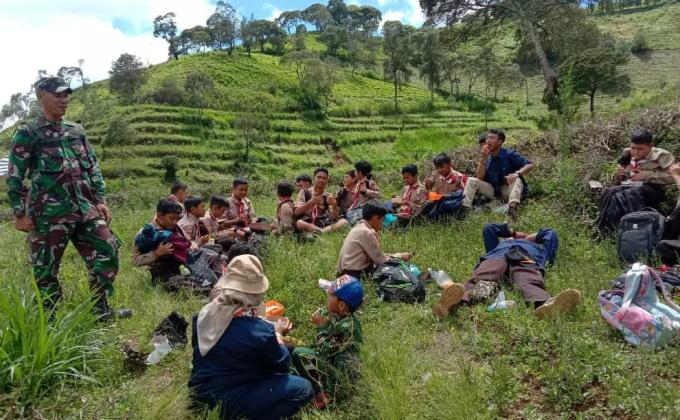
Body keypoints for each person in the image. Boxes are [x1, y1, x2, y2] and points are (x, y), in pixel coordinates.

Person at [6, 76, 127, 320]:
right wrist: (20, 213)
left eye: (66, 95)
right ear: (41, 96)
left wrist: (100, 200)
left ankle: (100, 310)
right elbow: (15, 176)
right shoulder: (28, 133)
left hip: (85, 209)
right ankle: (49, 320)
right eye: (58, 95)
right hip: (49, 215)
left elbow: (92, 167)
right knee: (45, 271)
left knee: (108, 251)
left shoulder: (76, 131)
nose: (64, 100)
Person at [188, 255, 314, 419]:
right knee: (303, 388)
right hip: (227, 401)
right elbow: (282, 364)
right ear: (255, 294)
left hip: (200, 394)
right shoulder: (258, 332)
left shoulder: (204, 314)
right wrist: (278, 334)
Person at [432, 223, 581, 320]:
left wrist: (529, 238)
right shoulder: (499, 245)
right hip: (497, 257)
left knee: (530, 279)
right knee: (484, 277)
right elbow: (489, 228)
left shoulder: (537, 247)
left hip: (526, 258)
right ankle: (453, 302)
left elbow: (551, 233)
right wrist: (513, 234)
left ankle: (545, 306)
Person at [292, 275, 364, 408]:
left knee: (298, 353)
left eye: (330, 296)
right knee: (297, 349)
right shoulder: (342, 316)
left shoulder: (347, 327)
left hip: (338, 373)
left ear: (341, 305)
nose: (327, 298)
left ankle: (326, 392)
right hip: (334, 360)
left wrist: (321, 327)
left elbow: (327, 350)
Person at [594, 129, 674, 236]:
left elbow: (673, 176)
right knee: (610, 192)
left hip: (653, 188)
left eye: (640, 149)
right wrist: (621, 175)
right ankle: (603, 228)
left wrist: (647, 175)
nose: (636, 152)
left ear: (650, 146)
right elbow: (624, 177)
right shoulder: (627, 154)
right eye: (633, 148)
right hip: (631, 185)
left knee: (629, 194)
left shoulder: (661, 155)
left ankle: (634, 230)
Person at [462, 129, 534, 220]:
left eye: (492, 138)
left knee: (517, 179)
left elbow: (530, 165)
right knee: (471, 180)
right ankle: (464, 210)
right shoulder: (487, 158)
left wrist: (517, 174)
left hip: (511, 190)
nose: (488, 140)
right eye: (487, 138)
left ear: (500, 142)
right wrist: (482, 159)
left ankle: (512, 209)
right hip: (496, 191)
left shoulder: (509, 154)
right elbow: (480, 178)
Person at [336, 204, 412, 278]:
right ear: (375, 218)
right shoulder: (366, 232)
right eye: (383, 220)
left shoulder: (359, 227)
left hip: (345, 273)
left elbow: (377, 255)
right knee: (397, 272)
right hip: (353, 275)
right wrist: (400, 256)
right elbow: (381, 261)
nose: (382, 223)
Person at [133, 199, 191, 284]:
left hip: (184, 265)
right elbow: (136, 261)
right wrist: (157, 253)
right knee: (179, 283)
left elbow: (188, 241)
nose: (174, 222)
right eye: (171, 218)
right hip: (162, 272)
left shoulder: (176, 227)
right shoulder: (144, 234)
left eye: (177, 219)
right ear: (160, 216)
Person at [295, 168, 348, 234]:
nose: (321, 180)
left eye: (324, 178)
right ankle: (324, 232)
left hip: (323, 223)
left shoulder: (328, 196)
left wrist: (334, 205)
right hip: (307, 222)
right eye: (319, 177)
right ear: (314, 178)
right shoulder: (304, 192)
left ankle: (320, 232)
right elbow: (296, 212)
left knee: (344, 222)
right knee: (300, 223)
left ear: (327, 180)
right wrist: (311, 202)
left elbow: (334, 219)